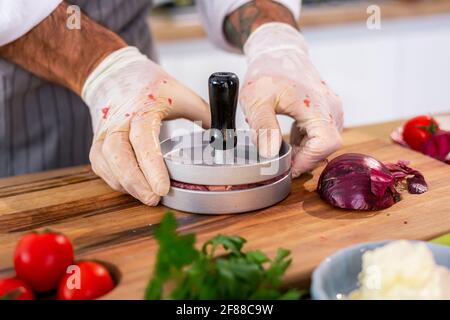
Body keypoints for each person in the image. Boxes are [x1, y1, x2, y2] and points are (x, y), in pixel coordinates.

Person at [0, 0, 343, 206]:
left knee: (142, 180)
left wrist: (275, 40)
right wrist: (105, 69)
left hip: (137, 93)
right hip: (15, 104)